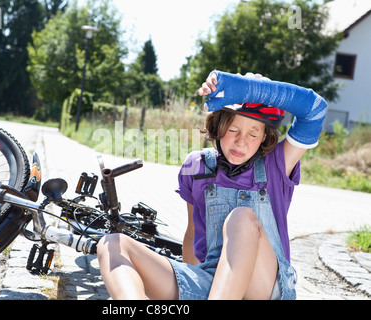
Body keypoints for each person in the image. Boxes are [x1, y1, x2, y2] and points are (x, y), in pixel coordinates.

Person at [96, 70, 327, 300]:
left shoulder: (276, 164)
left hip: (264, 288)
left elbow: (315, 110)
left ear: (266, 136)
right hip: (212, 282)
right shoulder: (197, 166)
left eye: (253, 134)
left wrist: (240, 88)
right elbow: (193, 234)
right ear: (218, 126)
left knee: (242, 218)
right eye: (233, 130)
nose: (241, 142)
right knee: (112, 244)